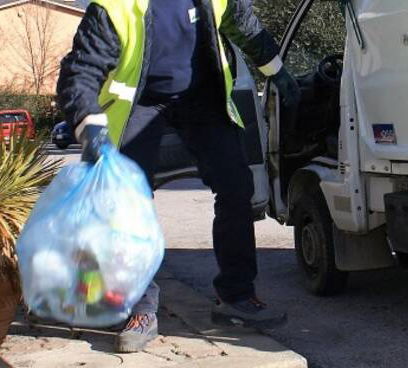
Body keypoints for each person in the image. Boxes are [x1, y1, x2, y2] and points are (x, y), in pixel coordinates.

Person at [56, 0, 300, 353]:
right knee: (127, 202)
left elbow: (245, 28)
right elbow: (80, 72)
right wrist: (89, 126)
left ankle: (236, 296)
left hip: (201, 100)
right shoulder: (115, 7)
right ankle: (139, 308)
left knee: (237, 187)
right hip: (141, 102)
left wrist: (277, 71)